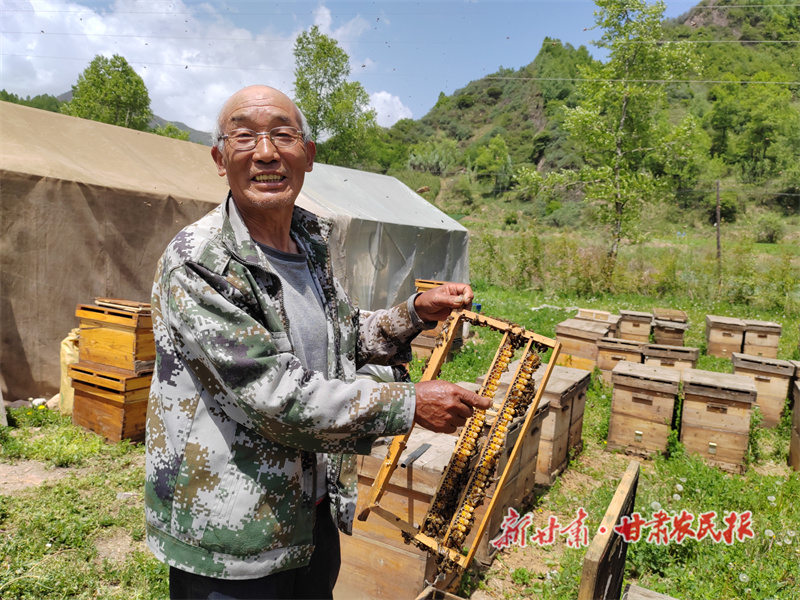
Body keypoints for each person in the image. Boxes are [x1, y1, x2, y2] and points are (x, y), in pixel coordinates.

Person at [145, 85, 490, 600]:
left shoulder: (309, 242)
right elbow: (273, 393)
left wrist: (414, 313)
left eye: (283, 135)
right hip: (232, 539)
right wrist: (411, 404)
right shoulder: (201, 260)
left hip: (310, 518)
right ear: (221, 158)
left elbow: (342, 334)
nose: (266, 152)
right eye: (245, 137)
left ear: (308, 156)